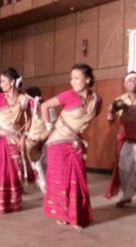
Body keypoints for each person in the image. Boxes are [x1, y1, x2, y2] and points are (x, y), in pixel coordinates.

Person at [41, 63, 102, 229]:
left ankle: (76, 215)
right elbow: (44, 106)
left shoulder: (97, 100)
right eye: (71, 78)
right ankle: (62, 214)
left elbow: (88, 119)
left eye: (77, 78)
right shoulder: (69, 95)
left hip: (74, 142)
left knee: (77, 179)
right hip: (57, 142)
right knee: (61, 181)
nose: (73, 81)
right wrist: (49, 128)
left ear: (88, 79)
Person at [105, 72, 136, 214]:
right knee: (124, 171)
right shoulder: (119, 100)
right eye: (130, 80)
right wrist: (112, 111)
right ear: (125, 84)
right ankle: (127, 196)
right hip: (127, 141)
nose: (133, 82)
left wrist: (126, 108)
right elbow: (110, 121)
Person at [0, 67, 31, 214]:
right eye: (0, 82)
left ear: (12, 82)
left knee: (14, 171)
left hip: (15, 140)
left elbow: (30, 119)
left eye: (3, 81)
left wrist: (24, 136)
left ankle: (13, 203)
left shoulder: (23, 99)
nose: (1, 84)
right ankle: (0, 203)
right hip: (0, 140)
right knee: (0, 172)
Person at [25, 86, 56, 193]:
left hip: (44, 141)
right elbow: (29, 123)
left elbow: (53, 126)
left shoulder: (48, 108)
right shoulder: (30, 110)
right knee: (37, 166)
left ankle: (48, 189)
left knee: (44, 165)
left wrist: (43, 138)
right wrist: (26, 135)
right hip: (32, 141)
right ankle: (46, 189)